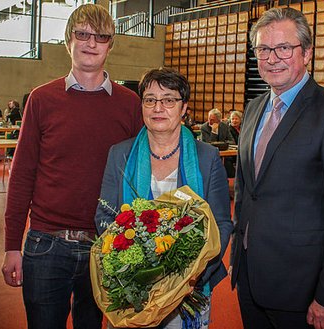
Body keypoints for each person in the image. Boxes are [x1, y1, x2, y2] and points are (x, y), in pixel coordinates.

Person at [1, 4, 143, 329]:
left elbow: (139, 175)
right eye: (83, 34)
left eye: (101, 37)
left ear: (110, 45)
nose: (91, 43)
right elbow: (22, 175)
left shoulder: (130, 104)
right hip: (46, 243)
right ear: (69, 40)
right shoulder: (41, 99)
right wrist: (11, 246)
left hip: (105, 246)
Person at [230, 7, 324, 329]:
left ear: (306, 53)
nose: (272, 58)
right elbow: (248, 191)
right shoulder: (253, 108)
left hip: (301, 286)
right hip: (249, 272)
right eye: (264, 49)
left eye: (284, 48)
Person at [95, 67, 233, 328]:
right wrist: (129, 270)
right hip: (133, 292)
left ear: (183, 108)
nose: (158, 107)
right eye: (150, 99)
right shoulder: (119, 154)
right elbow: (104, 217)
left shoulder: (207, 158)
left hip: (189, 291)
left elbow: (221, 224)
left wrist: (194, 276)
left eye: (169, 99)